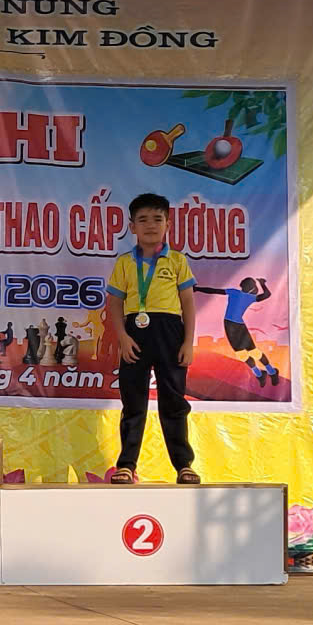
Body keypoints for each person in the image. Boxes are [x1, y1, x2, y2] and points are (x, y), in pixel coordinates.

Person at [106, 193, 201, 485]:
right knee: (133, 402)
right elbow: (114, 303)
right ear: (132, 226)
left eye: (157, 219)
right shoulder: (125, 263)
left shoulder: (177, 260)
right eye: (143, 219)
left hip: (170, 334)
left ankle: (183, 465)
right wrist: (122, 338)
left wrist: (187, 342)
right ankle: (126, 465)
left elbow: (188, 303)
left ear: (167, 225)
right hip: (135, 335)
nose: (150, 225)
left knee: (173, 402)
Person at [193, 274, 274, 368]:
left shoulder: (236, 293)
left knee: (245, 352)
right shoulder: (248, 297)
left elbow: (213, 290)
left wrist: (197, 289)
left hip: (232, 325)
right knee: (248, 352)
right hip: (237, 325)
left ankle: (265, 371)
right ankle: (266, 371)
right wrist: (262, 284)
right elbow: (267, 294)